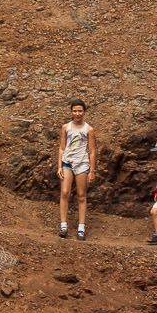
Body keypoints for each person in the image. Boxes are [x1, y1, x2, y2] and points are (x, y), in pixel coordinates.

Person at [56, 100, 96, 240]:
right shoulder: (66, 127)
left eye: (80, 111)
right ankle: (63, 225)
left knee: (81, 195)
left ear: (84, 112)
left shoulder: (88, 129)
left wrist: (92, 171)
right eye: (75, 111)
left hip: (82, 164)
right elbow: (62, 147)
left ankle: (81, 227)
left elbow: (92, 151)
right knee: (65, 192)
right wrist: (59, 166)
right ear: (71, 112)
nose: (77, 113)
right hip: (67, 162)